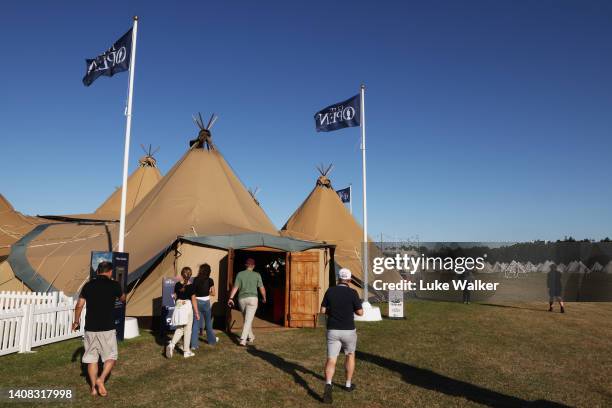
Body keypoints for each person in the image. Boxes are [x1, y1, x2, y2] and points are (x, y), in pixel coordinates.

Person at [72, 261, 125, 397]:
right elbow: (123, 299)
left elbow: (79, 305)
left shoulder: (88, 286)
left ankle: (93, 388)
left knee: (92, 359)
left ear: (97, 272)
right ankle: (101, 380)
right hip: (107, 327)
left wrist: (76, 321)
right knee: (111, 357)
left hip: (90, 328)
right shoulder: (114, 285)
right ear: (110, 272)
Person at [320, 268, 364, 404]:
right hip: (348, 330)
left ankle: (328, 383)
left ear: (338, 278)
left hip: (333, 329)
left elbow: (322, 310)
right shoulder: (352, 292)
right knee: (350, 355)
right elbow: (360, 312)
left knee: (331, 359)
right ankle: (348, 384)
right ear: (349, 280)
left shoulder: (330, 291)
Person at [227, 258, 266, 346]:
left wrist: (231, 298)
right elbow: (262, 288)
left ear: (246, 265)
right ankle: (243, 340)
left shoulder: (240, 274)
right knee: (248, 320)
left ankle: (251, 336)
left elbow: (235, 287)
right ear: (253, 266)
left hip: (242, 299)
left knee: (247, 319)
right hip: (253, 299)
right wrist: (264, 297)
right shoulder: (257, 275)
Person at [166, 267, 198, 358]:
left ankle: (172, 344)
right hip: (187, 307)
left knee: (180, 328)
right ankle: (186, 351)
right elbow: (194, 300)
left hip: (179, 306)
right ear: (190, 275)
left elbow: (175, 296)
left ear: (181, 275)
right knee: (187, 329)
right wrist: (197, 313)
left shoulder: (177, 285)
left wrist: (175, 296)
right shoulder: (191, 286)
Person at [190, 263, 218, 349]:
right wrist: (207, 292)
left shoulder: (195, 280)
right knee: (208, 323)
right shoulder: (210, 280)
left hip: (196, 302)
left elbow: (193, 293)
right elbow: (213, 293)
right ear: (209, 271)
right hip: (206, 303)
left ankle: (194, 345)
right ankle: (212, 341)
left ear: (200, 270)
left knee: (195, 324)